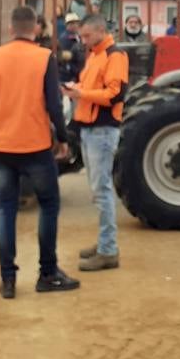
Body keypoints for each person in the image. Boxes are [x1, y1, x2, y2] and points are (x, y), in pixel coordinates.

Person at [0, 6, 78, 299]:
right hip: (34, 146)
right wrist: (62, 139)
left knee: (7, 208)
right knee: (49, 205)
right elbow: (53, 104)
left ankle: (7, 279)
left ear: (11, 29)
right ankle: (47, 273)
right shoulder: (43, 57)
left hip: (0, 145)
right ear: (36, 29)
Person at [63, 14, 129, 273]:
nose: (84, 40)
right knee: (97, 190)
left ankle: (108, 250)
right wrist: (76, 88)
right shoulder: (95, 54)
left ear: (101, 31)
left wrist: (81, 93)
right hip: (91, 129)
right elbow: (92, 86)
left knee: (101, 191)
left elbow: (115, 95)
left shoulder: (115, 56)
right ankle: (105, 244)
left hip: (102, 130)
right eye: (82, 36)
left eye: (88, 36)